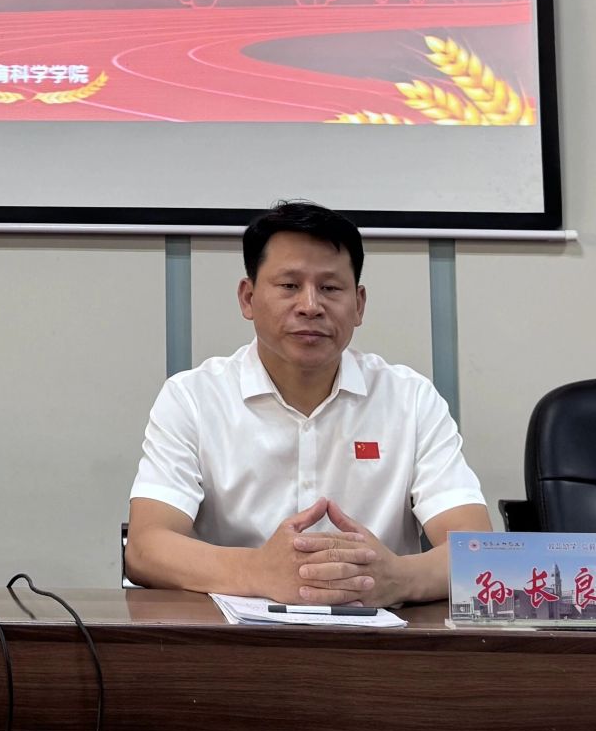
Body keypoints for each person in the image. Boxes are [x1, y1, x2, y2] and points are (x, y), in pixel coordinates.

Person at [124, 199, 490, 605]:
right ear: (247, 298)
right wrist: (258, 571)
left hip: (380, 634)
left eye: (330, 288)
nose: (311, 306)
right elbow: (146, 547)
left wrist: (397, 578)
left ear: (359, 304)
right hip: (232, 636)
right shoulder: (193, 398)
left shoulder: (410, 399)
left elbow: (478, 550)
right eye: (289, 286)